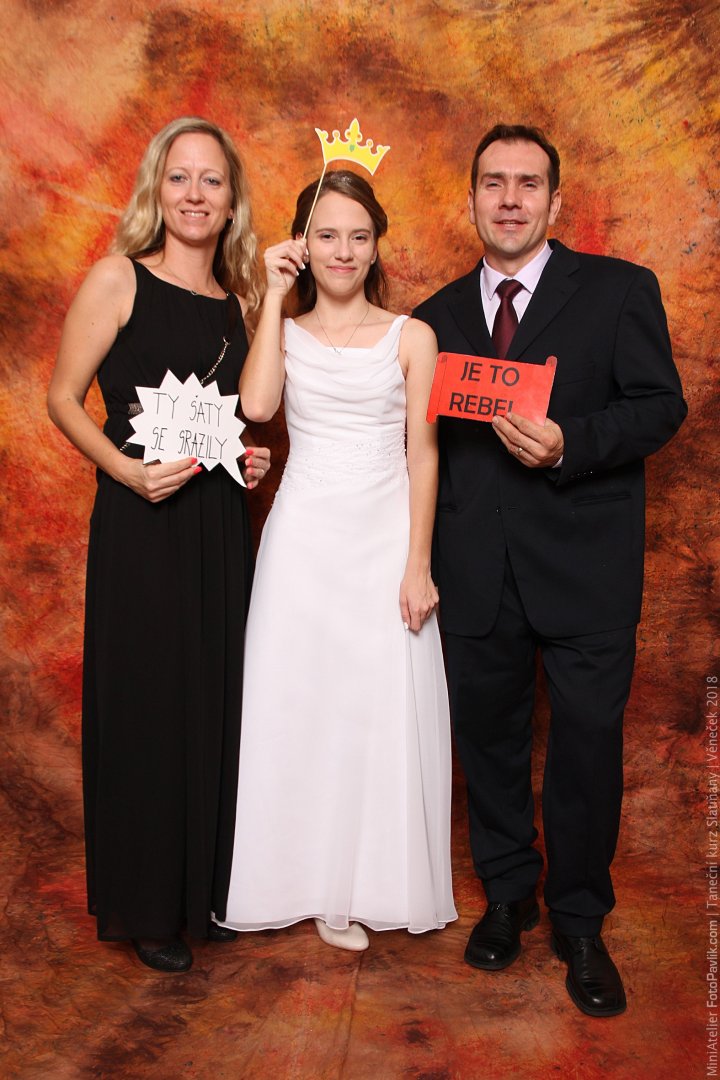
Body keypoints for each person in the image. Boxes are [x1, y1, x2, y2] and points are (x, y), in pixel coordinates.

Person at [413, 124, 686, 1015]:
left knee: (586, 750)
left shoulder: (618, 289)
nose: (510, 199)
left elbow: (661, 406)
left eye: (527, 183)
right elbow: (415, 447)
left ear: (555, 201)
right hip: (476, 571)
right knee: (488, 746)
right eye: (493, 182)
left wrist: (574, 443)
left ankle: (580, 920)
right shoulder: (435, 316)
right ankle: (508, 896)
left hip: (586, 570)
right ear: (471, 199)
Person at [47, 117, 271, 973]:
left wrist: (245, 459)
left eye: (211, 180)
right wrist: (125, 472)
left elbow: (226, 419)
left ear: (231, 201)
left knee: (211, 696)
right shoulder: (119, 278)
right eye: (180, 177)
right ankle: (146, 905)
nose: (195, 195)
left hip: (217, 525)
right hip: (142, 520)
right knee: (147, 702)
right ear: (157, 189)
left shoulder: (238, 305)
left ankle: (203, 891)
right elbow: (63, 397)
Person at [220, 170, 457, 950]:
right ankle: (294, 880)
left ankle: (357, 886)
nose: (343, 251)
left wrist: (417, 564)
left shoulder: (413, 337)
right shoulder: (282, 330)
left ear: (377, 245)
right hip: (302, 541)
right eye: (326, 235)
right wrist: (271, 294)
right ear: (303, 244)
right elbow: (258, 407)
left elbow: (424, 456)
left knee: (372, 705)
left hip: (384, 537)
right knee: (296, 700)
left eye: (358, 236)